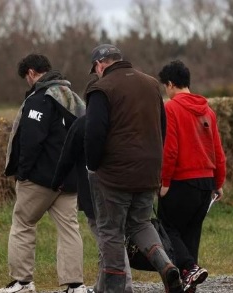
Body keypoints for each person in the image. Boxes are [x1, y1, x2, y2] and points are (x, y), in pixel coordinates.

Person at [84, 44, 183, 293]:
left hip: (114, 175)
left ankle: (117, 287)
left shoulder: (101, 89)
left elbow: (94, 134)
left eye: (95, 70)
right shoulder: (151, 84)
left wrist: (93, 166)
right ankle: (167, 266)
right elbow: (163, 127)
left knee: (110, 232)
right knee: (141, 224)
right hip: (149, 171)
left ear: (99, 65)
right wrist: (155, 164)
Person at [1, 54, 87, 293]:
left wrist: (23, 173)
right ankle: (76, 285)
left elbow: (31, 141)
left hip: (40, 179)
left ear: (30, 73)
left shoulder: (40, 99)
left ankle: (23, 282)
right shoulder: (72, 98)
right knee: (69, 229)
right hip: (69, 180)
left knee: (22, 224)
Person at [51, 76, 134, 293]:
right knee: (114, 238)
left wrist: (56, 182)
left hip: (93, 195)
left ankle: (122, 284)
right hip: (122, 190)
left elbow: (66, 159)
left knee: (107, 242)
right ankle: (103, 284)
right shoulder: (121, 124)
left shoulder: (80, 125)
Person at [157, 60, 226, 293]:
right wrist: (219, 183)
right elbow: (218, 151)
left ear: (170, 84)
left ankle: (188, 269)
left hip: (180, 181)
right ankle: (188, 283)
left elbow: (170, 150)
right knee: (190, 236)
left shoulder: (171, 108)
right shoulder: (208, 110)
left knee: (167, 228)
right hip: (205, 184)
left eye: (165, 86)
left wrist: (164, 182)